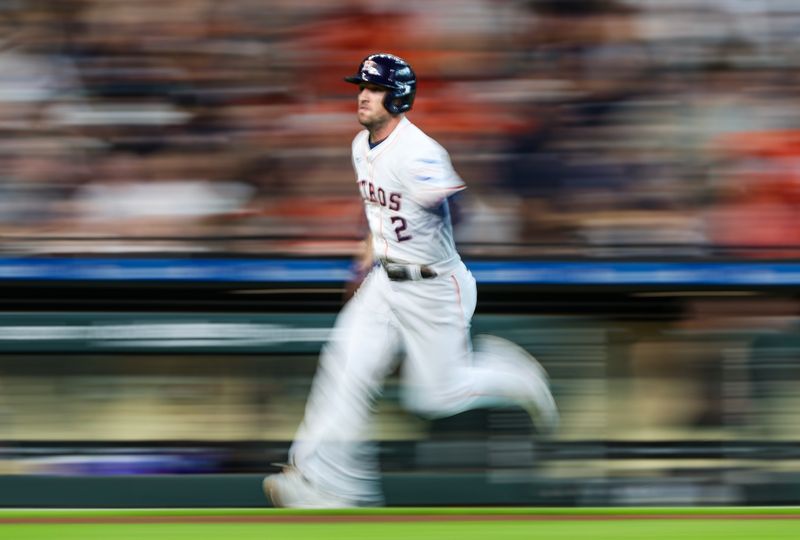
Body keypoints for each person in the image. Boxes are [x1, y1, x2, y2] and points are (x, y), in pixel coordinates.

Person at [263, 52, 558, 508]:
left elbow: (456, 205)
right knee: (343, 367)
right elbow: (379, 215)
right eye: (361, 86)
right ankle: (322, 484)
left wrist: (429, 222)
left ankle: (513, 373)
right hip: (385, 281)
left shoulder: (418, 150)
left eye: (374, 88)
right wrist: (361, 266)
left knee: (436, 396)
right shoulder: (361, 146)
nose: (363, 95)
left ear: (397, 96)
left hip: (434, 285)